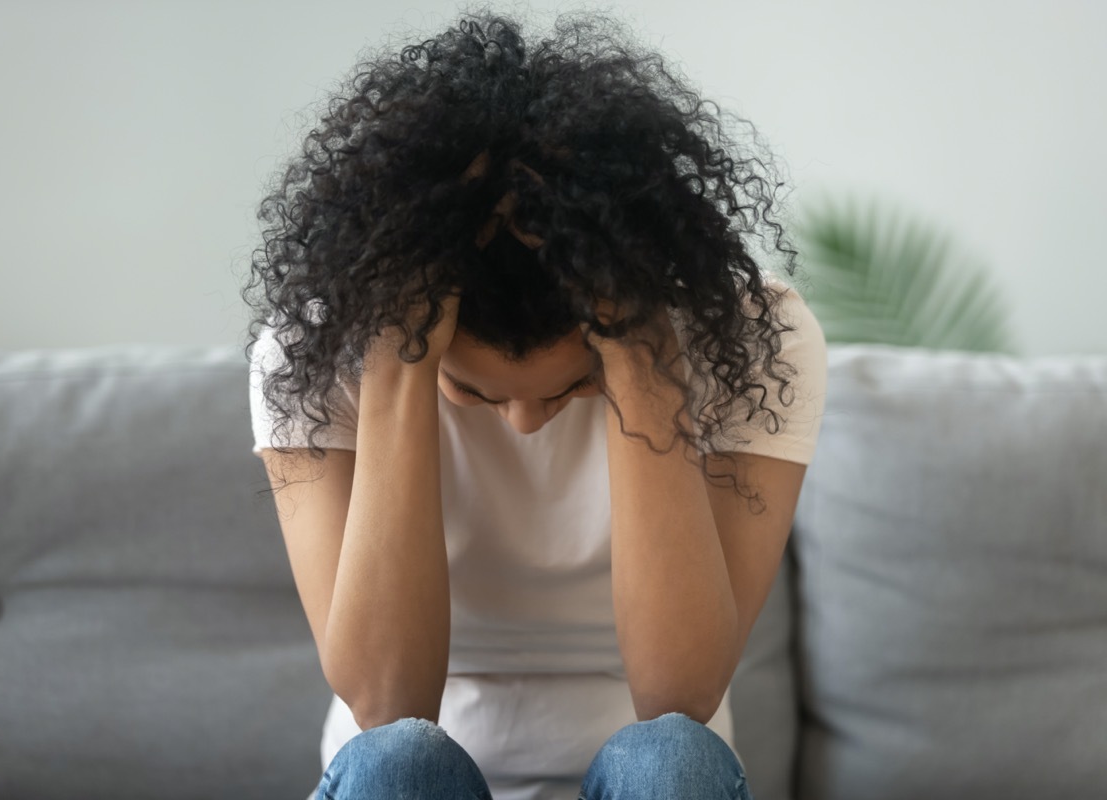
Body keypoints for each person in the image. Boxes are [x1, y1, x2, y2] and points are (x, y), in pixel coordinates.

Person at [243, 7, 826, 799]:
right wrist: (398, 372)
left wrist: (640, 358)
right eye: (472, 391)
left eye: (571, 386)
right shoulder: (318, 346)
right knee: (397, 764)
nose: (522, 421)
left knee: (674, 762)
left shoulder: (755, 337)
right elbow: (385, 704)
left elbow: (680, 696)